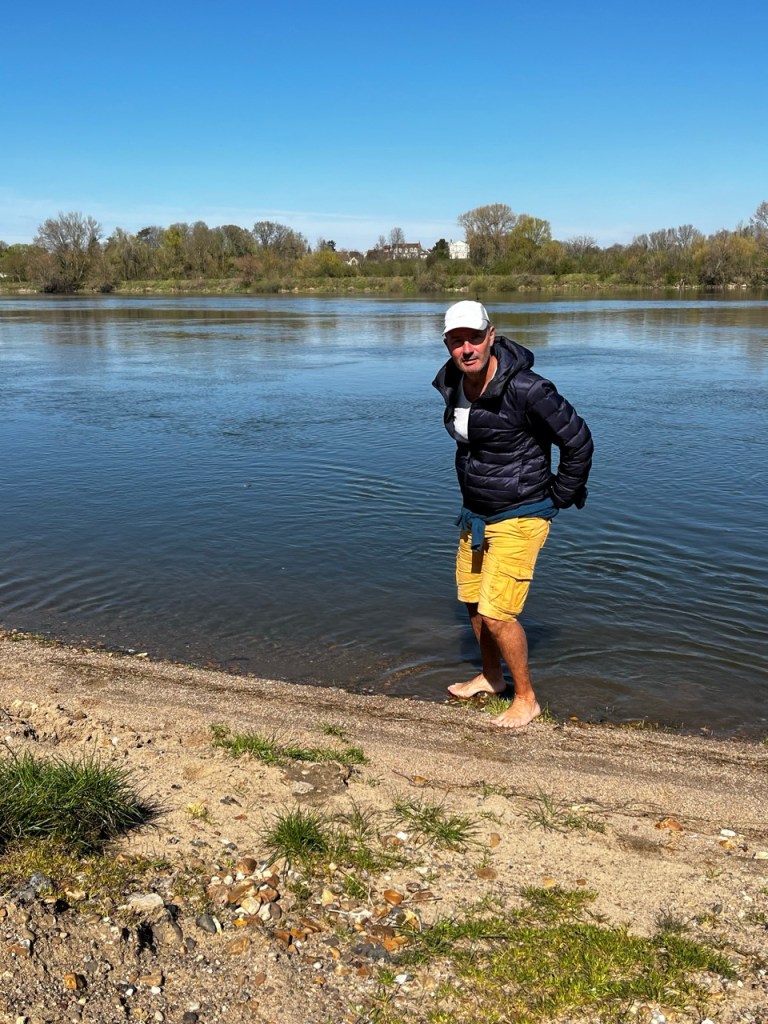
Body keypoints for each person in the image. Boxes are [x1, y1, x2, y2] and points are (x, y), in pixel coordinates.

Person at [432, 300, 593, 728]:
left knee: (498, 613)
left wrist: (559, 496)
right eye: (456, 341)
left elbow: (578, 441)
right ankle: (492, 677)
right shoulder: (454, 381)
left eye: (474, 338)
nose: (466, 349)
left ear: (491, 335)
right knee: (473, 601)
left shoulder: (529, 389)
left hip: (521, 515)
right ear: (446, 344)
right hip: (476, 516)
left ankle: (526, 699)